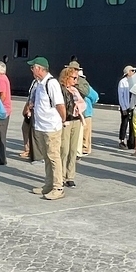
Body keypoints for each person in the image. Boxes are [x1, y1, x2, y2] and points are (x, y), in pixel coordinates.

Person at [24, 57, 66, 200]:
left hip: (51, 127)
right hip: (41, 126)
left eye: (32, 68)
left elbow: (59, 104)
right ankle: (49, 184)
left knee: (54, 157)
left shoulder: (51, 83)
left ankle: (58, 187)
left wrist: (63, 120)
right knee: (47, 158)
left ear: (40, 68)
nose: (31, 70)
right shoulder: (39, 83)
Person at [58, 66, 86, 188]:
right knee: (64, 149)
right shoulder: (61, 90)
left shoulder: (75, 90)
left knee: (73, 149)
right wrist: (63, 119)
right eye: (74, 78)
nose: (76, 80)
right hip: (66, 121)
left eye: (77, 78)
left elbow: (87, 94)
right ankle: (61, 175)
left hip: (76, 120)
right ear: (66, 77)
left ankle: (70, 176)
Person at [117, 66, 135, 150]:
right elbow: (121, 96)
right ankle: (121, 141)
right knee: (124, 123)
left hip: (132, 106)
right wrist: (123, 107)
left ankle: (131, 142)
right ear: (127, 72)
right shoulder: (122, 82)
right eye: (132, 70)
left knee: (132, 124)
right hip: (125, 106)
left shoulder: (134, 81)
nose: (134, 72)